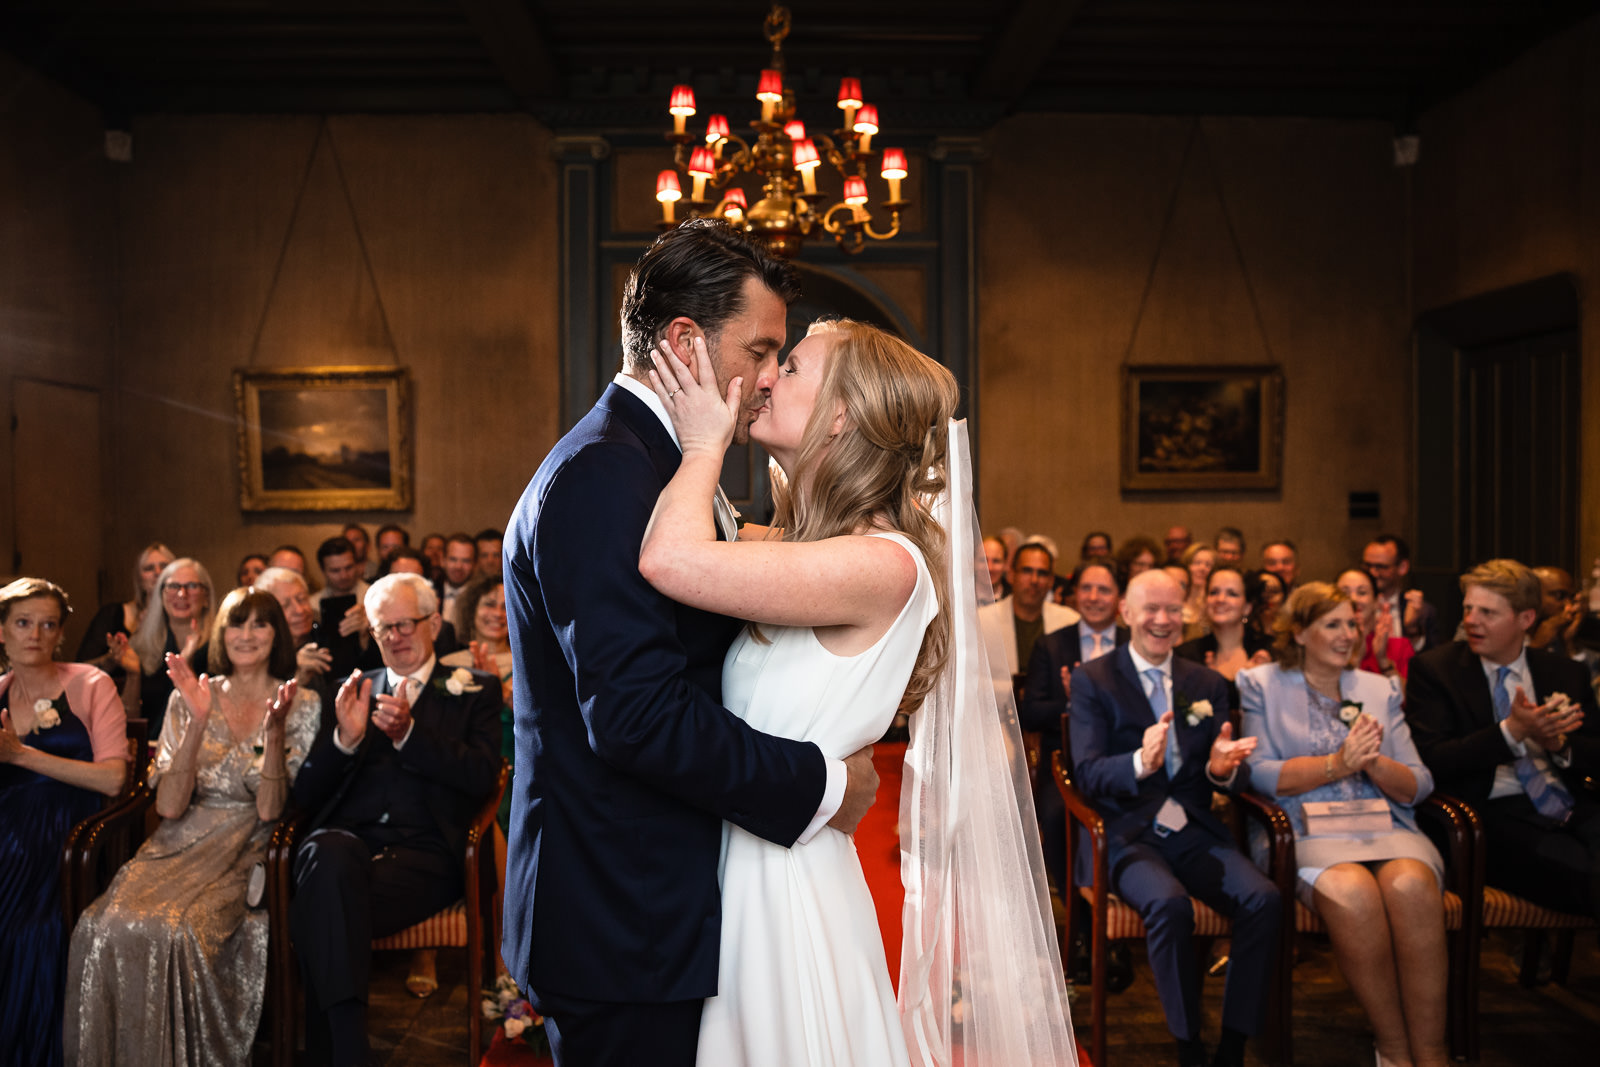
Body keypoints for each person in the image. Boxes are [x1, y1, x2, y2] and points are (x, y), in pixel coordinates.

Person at [502, 221, 891, 1067]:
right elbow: (637, 715)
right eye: (760, 349)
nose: (765, 378)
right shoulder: (609, 473)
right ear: (683, 340)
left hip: (655, 904)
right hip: (624, 912)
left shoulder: (658, 460)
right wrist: (822, 782)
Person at [643, 315, 1075, 1065]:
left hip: (783, 883)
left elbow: (671, 559)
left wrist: (705, 441)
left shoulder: (885, 563)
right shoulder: (807, 548)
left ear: (841, 414)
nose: (767, 375)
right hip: (753, 854)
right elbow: (703, 534)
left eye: (794, 365)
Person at [66, 588, 317, 1066]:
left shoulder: (300, 701)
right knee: (100, 925)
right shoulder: (193, 696)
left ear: (276, 634)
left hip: (246, 843)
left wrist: (275, 729)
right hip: (176, 840)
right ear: (221, 633)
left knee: (180, 931)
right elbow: (168, 805)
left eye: (259, 624)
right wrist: (198, 721)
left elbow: (269, 811)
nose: (246, 635)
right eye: (236, 624)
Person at [288, 573, 501, 1065]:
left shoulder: (474, 691)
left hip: (426, 857)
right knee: (327, 855)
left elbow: (481, 775)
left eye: (405, 624)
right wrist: (345, 740)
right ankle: (349, 1052)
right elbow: (305, 793)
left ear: (434, 623)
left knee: (321, 904)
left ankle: (334, 1052)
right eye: (384, 628)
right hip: (349, 847)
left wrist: (409, 735)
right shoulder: (351, 689)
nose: (396, 637)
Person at [1069, 570, 1277, 1067]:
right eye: (1151, 609)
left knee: (1264, 899)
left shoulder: (1203, 682)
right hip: (1125, 834)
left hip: (1193, 830)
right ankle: (1188, 1045)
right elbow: (1088, 772)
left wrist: (1222, 769)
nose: (1163, 621)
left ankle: (1232, 1043)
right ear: (1126, 614)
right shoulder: (1093, 679)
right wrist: (1141, 762)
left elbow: (1220, 768)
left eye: (1173, 610)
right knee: (1169, 905)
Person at [1238, 582, 1447, 1067]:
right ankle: (1393, 1048)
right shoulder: (1262, 684)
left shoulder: (1379, 688)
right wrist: (1336, 764)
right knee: (1353, 891)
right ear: (1300, 632)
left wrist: (1371, 764)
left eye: (1352, 624)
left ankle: (1432, 1054)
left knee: (1413, 887)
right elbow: (1261, 773)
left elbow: (1419, 784)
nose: (1347, 635)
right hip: (1304, 833)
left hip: (1386, 827)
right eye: (1332, 624)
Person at [1405, 559, 1600, 920]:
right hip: (1488, 818)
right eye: (1468, 608)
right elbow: (1433, 759)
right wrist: (1511, 732)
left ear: (1525, 619)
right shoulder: (1436, 671)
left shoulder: (1564, 672)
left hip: (1574, 805)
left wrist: (1560, 745)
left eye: (1488, 613)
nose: (1471, 621)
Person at [0, 578, 128, 1067]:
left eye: (48, 624)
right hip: (7, 829)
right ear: (3, 632)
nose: (35, 634)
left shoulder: (91, 684)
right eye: (23, 623)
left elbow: (115, 780)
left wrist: (21, 755)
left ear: (60, 635)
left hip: (69, 831)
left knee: (36, 930)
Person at [1023, 560, 1128, 893]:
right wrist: (1073, 703)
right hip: (1067, 763)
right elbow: (1031, 712)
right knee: (1056, 816)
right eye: (1086, 588)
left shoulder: (1135, 644)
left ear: (1120, 599)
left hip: (1127, 759)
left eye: (1104, 589)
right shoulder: (1051, 645)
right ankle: (1078, 919)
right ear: (1073, 595)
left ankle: (1127, 897)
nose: (1094, 597)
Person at [129, 558, 214, 737]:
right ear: (161, 595)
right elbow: (130, 720)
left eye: (191, 586)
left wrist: (187, 663)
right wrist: (133, 674)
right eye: (173, 586)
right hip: (151, 749)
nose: (182, 594)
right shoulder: (141, 645)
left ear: (206, 596)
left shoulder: (221, 648)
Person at [979, 539, 1080, 680]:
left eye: (1042, 573)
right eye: (1027, 571)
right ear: (1012, 575)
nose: (1034, 580)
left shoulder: (1070, 621)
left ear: (1051, 580)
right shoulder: (982, 621)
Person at [1174, 565, 1273, 708]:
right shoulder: (1186, 655)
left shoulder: (1270, 651)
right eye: (1213, 592)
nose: (1220, 599)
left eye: (1232, 594)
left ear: (1247, 607)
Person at [76, 541, 174, 665]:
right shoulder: (111, 614)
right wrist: (111, 659)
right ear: (139, 579)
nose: (158, 573)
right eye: (149, 568)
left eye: (164, 566)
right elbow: (81, 667)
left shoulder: (182, 618)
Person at [1336, 568, 1414, 680]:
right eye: (1344, 593)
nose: (1353, 599)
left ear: (1377, 601)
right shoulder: (1325, 647)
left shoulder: (1399, 647)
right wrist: (1355, 658)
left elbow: (1407, 696)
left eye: (1362, 593)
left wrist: (1383, 661)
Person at [1364, 536, 1438, 652]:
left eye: (1381, 567)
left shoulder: (1424, 611)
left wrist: (1412, 629)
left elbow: (1430, 659)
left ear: (1402, 567)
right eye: (1367, 566)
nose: (1373, 573)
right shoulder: (1354, 606)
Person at [1179, 542, 1217, 641]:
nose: (1202, 568)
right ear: (1187, 565)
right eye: (1197, 563)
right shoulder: (1176, 598)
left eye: (1208, 565)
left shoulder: (1215, 602)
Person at [1247, 569, 1286, 642]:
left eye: (1274, 591)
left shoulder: (1290, 634)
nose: (1267, 597)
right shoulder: (1241, 632)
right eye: (1262, 591)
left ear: (1284, 597)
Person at [983, 534, 1012, 599]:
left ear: (1005, 565)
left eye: (996, 561)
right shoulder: (959, 596)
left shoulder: (1015, 598)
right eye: (984, 561)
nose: (989, 568)